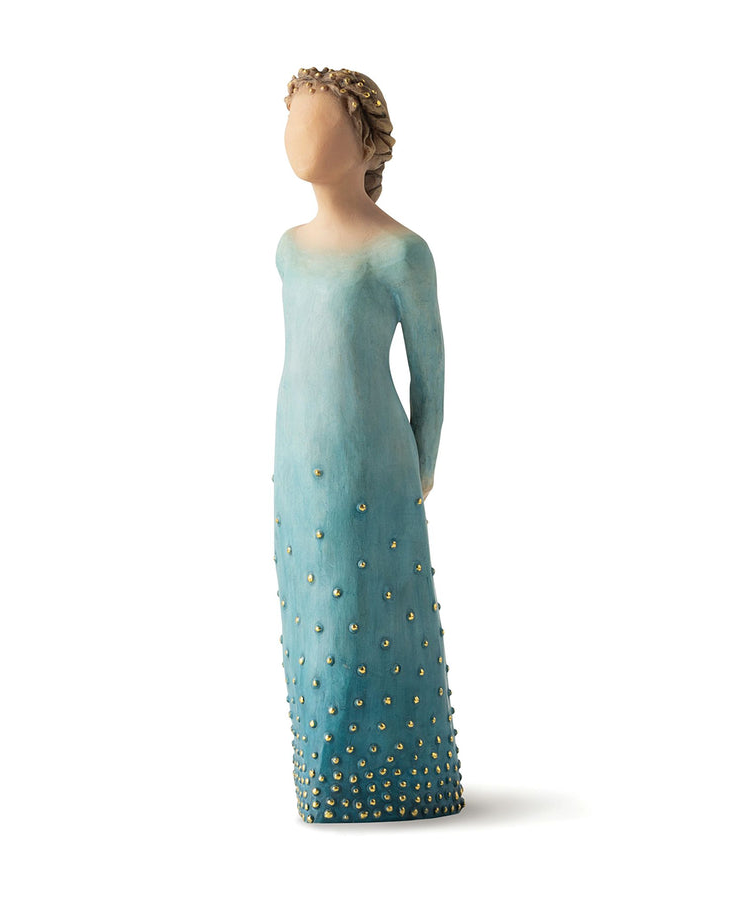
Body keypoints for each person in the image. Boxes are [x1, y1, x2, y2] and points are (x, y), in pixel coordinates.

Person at [273, 66, 464, 822]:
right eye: (293, 120)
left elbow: (430, 370)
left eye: (319, 121)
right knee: (310, 604)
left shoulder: (399, 252)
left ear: (365, 141)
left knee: (375, 606)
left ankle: (407, 778)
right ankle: (326, 777)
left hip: (374, 460)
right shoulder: (289, 249)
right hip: (295, 452)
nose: (300, 136)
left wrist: (424, 460)